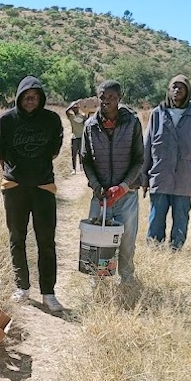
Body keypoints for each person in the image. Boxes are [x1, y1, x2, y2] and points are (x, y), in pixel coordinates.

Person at [0, 76, 65, 313]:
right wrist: (15, 173)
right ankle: (21, 287)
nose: (30, 99)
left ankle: (48, 293)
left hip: (44, 187)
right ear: (19, 97)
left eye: (34, 96)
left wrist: (37, 170)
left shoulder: (52, 120)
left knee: (46, 241)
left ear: (41, 98)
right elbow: (0, 150)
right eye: (26, 96)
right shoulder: (6, 120)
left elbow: (55, 150)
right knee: (17, 238)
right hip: (15, 187)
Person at [80, 80, 144, 282]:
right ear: (97, 98)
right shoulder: (90, 126)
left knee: (126, 239)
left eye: (111, 97)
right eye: (103, 97)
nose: (106, 101)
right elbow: (86, 160)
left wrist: (123, 187)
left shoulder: (132, 122)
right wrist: (97, 186)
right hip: (101, 196)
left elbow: (138, 160)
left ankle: (126, 278)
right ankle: (97, 279)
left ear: (119, 98)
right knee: (96, 237)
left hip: (127, 194)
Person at [141, 75, 191, 250]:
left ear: (187, 91)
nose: (177, 90)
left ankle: (176, 254)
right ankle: (155, 254)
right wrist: (143, 178)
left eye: (181, 87)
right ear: (168, 90)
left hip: (185, 179)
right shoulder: (157, 114)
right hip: (160, 177)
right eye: (174, 86)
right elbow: (146, 148)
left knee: (181, 220)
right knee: (156, 218)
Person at [65, 100, 92, 174]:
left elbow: (86, 122)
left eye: (76, 108)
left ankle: (81, 166)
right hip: (74, 137)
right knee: (73, 154)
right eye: (74, 108)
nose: (75, 109)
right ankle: (74, 169)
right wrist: (72, 104)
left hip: (82, 137)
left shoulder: (82, 116)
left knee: (81, 153)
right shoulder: (71, 117)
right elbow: (66, 111)